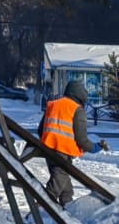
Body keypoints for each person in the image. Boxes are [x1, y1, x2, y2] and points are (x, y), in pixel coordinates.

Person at [37, 79, 98, 207]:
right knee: (56, 185)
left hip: (48, 149)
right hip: (63, 153)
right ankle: (38, 212)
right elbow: (82, 140)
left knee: (66, 188)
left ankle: (68, 210)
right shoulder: (77, 109)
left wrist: (50, 140)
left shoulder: (53, 104)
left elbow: (40, 129)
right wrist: (94, 148)